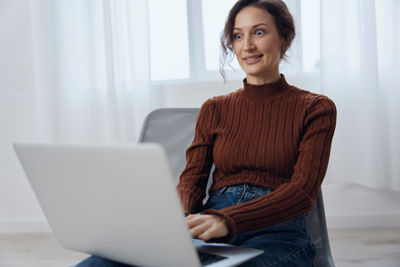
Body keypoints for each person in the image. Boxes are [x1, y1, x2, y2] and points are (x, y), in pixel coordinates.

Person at [76, 0, 336, 266]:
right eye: (238, 35)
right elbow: (192, 180)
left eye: (259, 32)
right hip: (210, 225)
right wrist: (180, 223)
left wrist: (227, 221)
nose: (247, 46)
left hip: (277, 231)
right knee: (100, 263)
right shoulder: (214, 108)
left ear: (285, 37)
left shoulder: (315, 108)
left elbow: (303, 192)